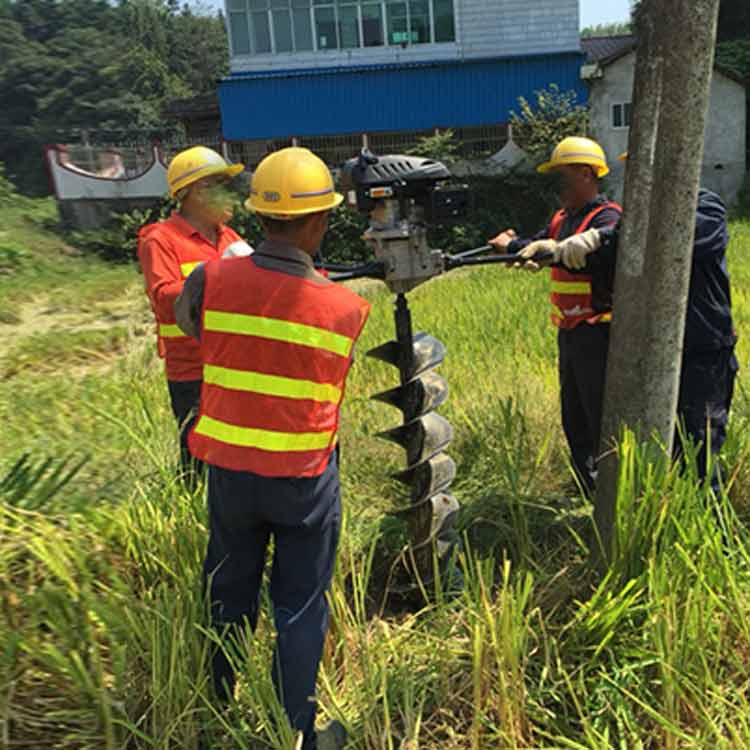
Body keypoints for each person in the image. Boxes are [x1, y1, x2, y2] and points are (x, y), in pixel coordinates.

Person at [174, 147, 370, 749]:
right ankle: (299, 734)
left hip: (230, 472)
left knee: (228, 592)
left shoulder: (210, 277)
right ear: (319, 222)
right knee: (300, 605)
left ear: (258, 216)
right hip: (303, 479)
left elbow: (189, 325)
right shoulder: (345, 306)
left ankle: (216, 712)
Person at [521, 154, 738, 492]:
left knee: (698, 448)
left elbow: (670, 239)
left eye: (652, 169)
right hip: (654, 350)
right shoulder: (633, 220)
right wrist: (559, 249)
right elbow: (611, 255)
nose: (644, 180)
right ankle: (658, 523)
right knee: (658, 446)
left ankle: (712, 537)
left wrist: (600, 237)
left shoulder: (706, 208)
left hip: (701, 352)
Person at [489, 136, 623, 494]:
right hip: (570, 333)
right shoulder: (562, 218)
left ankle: (612, 492)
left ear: (585, 173)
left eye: (560, 177)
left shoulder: (607, 217)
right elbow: (537, 244)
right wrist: (513, 247)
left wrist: (522, 248)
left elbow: (594, 256)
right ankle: (587, 488)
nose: (556, 186)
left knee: (600, 419)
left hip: (599, 332)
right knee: (574, 416)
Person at [137, 146, 251, 486]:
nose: (233, 195)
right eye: (222, 185)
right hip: (192, 370)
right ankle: (193, 517)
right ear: (196, 191)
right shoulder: (161, 239)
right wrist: (213, 277)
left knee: (236, 451)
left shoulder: (229, 237)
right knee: (198, 454)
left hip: (233, 364)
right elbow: (163, 298)